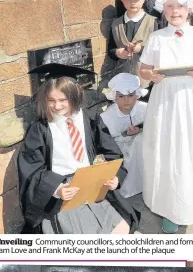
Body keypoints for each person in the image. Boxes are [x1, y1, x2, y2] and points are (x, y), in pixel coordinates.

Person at [17, 63, 139, 234]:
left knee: (121, 227)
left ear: (74, 96)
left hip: (90, 182)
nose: (57, 106)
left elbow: (113, 151)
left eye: (62, 100)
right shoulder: (41, 129)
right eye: (51, 100)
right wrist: (57, 189)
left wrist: (115, 177)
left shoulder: (89, 118)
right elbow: (31, 169)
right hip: (62, 188)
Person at [139, 0, 193, 233]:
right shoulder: (156, 38)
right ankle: (170, 208)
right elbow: (142, 70)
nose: (176, 11)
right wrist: (151, 76)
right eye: (170, 6)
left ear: (189, 9)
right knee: (169, 151)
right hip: (165, 102)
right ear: (163, 9)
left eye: (181, 6)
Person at [100, 73, 148, 198]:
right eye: (121, 96)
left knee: (141, 140)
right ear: (114, 97)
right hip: (120, 148)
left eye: (131, 95)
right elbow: (108, 141)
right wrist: (125, 134)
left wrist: (141, 130)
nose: (126, 100)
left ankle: (149, 184)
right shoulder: (107, 117)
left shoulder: (145, 109)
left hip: (143, 144)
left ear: (137, 95)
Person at [108, 0, 159, 89]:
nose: (133, 2)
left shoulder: (154, 22)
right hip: (123, 81)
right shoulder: (115, 24)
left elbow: (160, 50)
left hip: (148, 83)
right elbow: (111, 50)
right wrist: (118, 52)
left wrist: (141, 49)